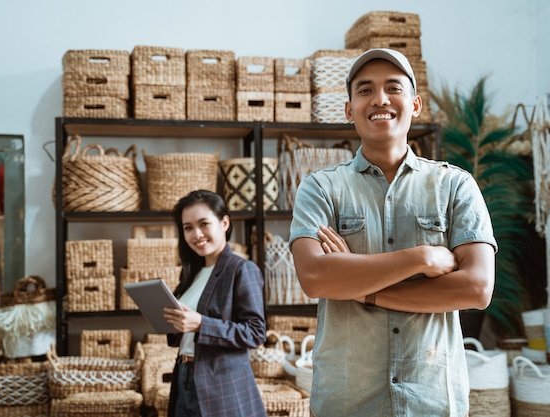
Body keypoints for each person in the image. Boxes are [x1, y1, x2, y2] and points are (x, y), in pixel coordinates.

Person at [289, 48, 497, 416]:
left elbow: (477, 288)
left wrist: (363, 290)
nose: (380, 99)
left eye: (393, 88)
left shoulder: (455, 186)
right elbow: (316, 278)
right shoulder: (320, 189)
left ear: (415, 105)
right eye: (365, 90)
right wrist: (422, 257)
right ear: (348, 110)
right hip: (347, 401)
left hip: (432, 399)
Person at [163, 189, 268, 417]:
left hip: (221, 384)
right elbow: (187, 331)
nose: (196, 234)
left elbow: (256, 333)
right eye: (188, 228)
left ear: (224, 223)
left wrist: (201, 324)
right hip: (184, 375)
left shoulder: (241, 269)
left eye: (204, 224)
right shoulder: (192, 273)